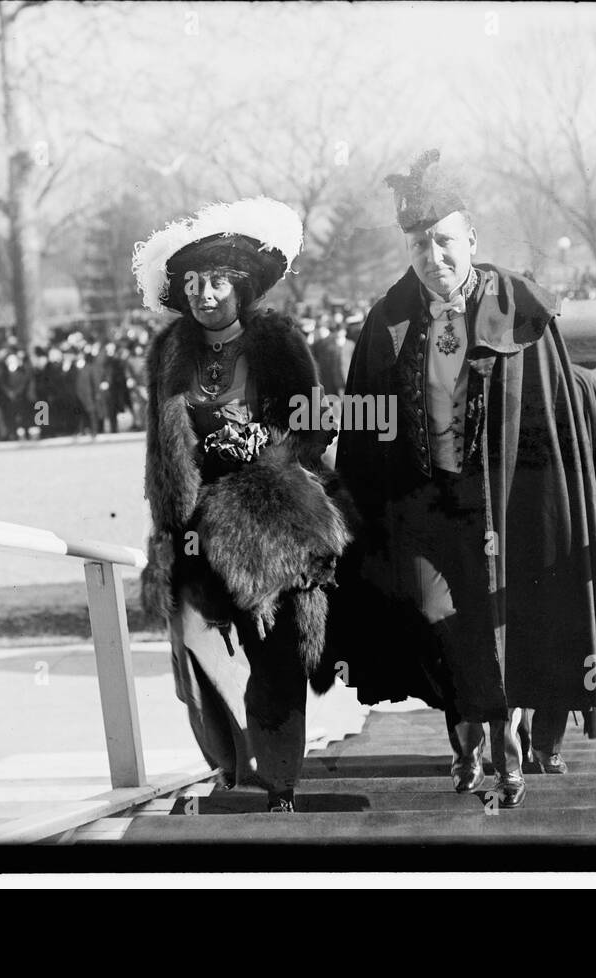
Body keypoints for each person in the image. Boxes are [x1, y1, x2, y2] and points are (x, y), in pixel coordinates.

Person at [334, 149, 596, 808]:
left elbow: (558, 407)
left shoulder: (516, 309)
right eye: (420, 244)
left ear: (471, 240)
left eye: (445, 241)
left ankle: (508, 747)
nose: (434, 256)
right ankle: (469, 735)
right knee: (433, 618)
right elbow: (364, 430)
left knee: (512, 623)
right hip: (425, 507)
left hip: (508, 506)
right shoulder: (387, 320)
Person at [134, 196, 348, 812]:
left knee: (276, 651)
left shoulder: (278, 342)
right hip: (197, 523)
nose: (206, 293)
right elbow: (162, 452)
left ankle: (277, 780)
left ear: (242, 285)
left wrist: (266, 442)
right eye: (195, 282)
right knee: (199, 647)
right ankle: (233, 767)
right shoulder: (169, 354)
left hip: (269, 517)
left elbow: (312, 426)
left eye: (219, 280)